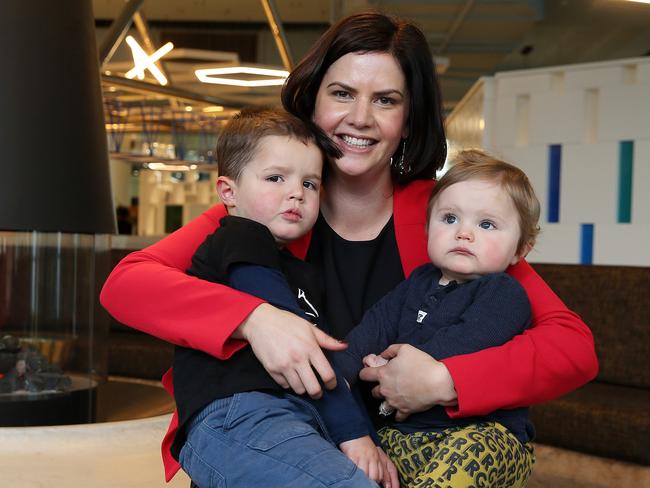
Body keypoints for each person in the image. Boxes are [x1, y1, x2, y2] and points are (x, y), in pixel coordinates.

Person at [99, 11, 598, 484]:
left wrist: (446, 379)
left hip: (400, 454)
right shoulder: (269, 205)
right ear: (313, 101)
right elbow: (127, 284)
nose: (360, 118)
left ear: (408, 118)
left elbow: (571, 346)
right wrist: (255, 318)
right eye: (342, 93)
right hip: (284, 439)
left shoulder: (447, 216)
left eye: (385, 100)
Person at [172, 107, 391, 487]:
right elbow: (306, 353)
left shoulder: (297, 269)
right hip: (238, 415)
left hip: (292, 417)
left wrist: (368, 439)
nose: (296, 193)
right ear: (228, 191)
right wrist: (356, 435)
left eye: (310, 183)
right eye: (276, 178)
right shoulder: (240, 238)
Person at [335, 149, 540, 487]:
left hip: (485, 436)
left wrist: (389, 369)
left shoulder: (503, 292)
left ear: (521, 249)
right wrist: (337, 376)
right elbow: (373, 327)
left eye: (486, 224)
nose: (464, 233)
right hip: (406, 436)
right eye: (449, 219)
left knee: (468, 454)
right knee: (357, 461)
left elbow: (465, 342)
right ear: (428, 227)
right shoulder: (416, 283)